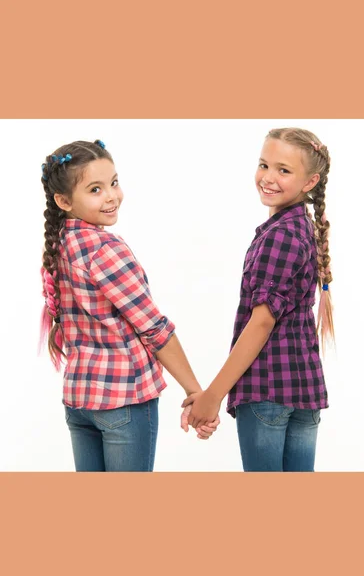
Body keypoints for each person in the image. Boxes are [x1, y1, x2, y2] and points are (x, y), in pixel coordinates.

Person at [39, 139, 219, 472]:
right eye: (95, 189)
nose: (111, 196)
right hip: (123, 402)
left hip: (79, 401)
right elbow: (154, 328)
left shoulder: (61, 243)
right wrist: (196, 392)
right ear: (63, 200)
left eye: (114, 182)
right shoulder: (104, 249)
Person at [182, 128, 334, 472]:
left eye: (283, 170)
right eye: (264, 164)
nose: (268, 177)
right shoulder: (301, 228)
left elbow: (262, 322)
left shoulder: (280, 236)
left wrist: (212, 395)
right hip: (303, 390)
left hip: (267, 390)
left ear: (310, 182)